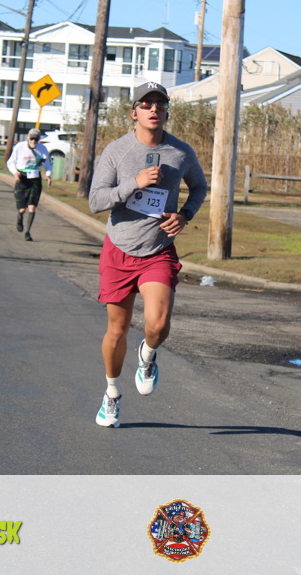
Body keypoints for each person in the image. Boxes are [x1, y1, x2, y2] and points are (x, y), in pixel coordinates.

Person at [88, 82, 207, 428]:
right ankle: (112, 394)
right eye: (146, 104)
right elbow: (96, 201)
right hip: (119, 248)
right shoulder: (117, 150)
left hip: (158, 250)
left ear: (167, 112)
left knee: (158, 324)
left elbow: (199, 186)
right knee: (117, 329)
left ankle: (148, 355)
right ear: (134, 112)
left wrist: (185, 215)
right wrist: (134, 183)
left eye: (160, 104)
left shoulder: (180, 152)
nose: (154, 109)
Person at [6, 128, 52, 241]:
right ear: (28, 138)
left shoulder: (42, 148)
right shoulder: (20, 147)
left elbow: (48, 164)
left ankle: (27, 232)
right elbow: (10, 162)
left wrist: (48, 175)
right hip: (22, 177)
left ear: (39, 139)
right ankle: (20, 217)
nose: (33, 141)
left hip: (35, 178)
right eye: (31, 138)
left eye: (36, 139)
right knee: (22, 208)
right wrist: (15, 173)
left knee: (32, 206)